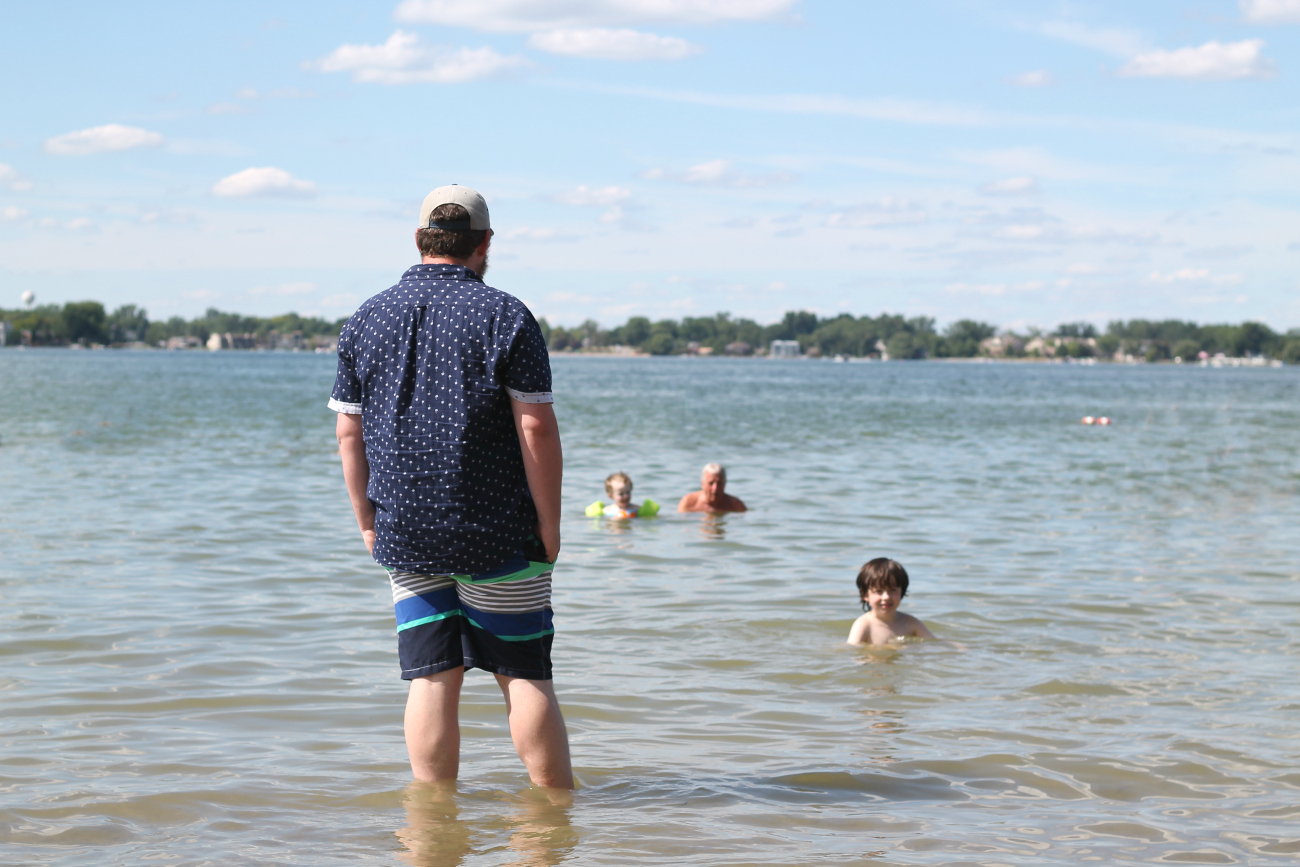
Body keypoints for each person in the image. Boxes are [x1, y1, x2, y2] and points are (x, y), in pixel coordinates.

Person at [331, 184, 573, 789]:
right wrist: (550, 523)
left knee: (432, 675)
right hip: (497, 528)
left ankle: (434, 826)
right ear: (484, 244)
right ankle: (553, 824)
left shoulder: (366, 316)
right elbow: (536, 427)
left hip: (405, 528)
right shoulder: (506, 314)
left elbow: (347, 434)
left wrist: (366, 520)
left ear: (419, 240)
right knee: (523, 673)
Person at [846, 558, 935, 645]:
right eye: (878, 591)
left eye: (893, 590)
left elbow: (934, 644)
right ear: (865, 595)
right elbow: (853, 652)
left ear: (902, 592)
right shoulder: (864, 625)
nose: (886, 597)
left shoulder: (910, 623)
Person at [584, 471, 659, 518]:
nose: (625, 496)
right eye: (621, 494)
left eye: (628, 492)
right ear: (610, 495)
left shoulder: (637, 510)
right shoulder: (606, 511)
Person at [677, 463, 746, 513]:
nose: (715, 488)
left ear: (725, 483)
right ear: (702, 483)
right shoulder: (689, 503)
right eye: (711, 483)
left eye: (719, 483)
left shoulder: (736, 505)